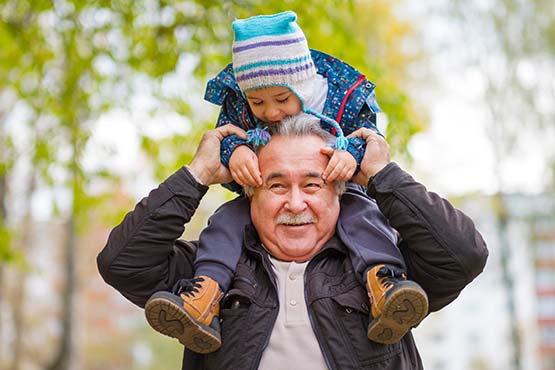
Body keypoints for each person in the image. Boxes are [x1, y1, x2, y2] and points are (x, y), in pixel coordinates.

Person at [97, 115, 488, 370]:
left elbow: (463, 254)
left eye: (313, 185)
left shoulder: (385, 274)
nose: (295, 202)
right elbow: (122, 263)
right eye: (276, 184)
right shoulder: (209, 272)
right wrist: (197, 175)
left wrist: (382, 175)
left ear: (340, 193)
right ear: (250, 194)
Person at [142, 10, 428, 354]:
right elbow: (229, 135)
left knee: (363, 216)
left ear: (302, 85)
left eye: (282, 100)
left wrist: (350, 154)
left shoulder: (336, 96)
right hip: (258, 190)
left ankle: (384, 285)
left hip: (339, 186)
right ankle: (204, 296)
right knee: (224, 222)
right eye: (258, 102)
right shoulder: (241, 105)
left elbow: (367, 136)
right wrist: (234, 153)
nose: (271, 112)